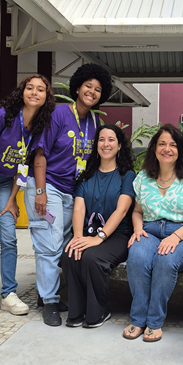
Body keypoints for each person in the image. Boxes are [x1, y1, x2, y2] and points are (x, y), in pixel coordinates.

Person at [24, 63, 112, 327]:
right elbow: (40, 154)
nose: (92, 92)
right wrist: (40, 191)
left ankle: (46, 294)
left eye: (97, 90)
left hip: (72, 192)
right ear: (77, 87)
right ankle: (49, 302)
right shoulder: (59, 113)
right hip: (47, 185)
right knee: (49, 246)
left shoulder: (96, 122)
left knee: (61, 244)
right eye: (88, 86)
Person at [0, 74, 55, 318]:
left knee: (10, 237)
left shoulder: (39, 126)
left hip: (7, 182)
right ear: (22, 91)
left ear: (47, 97)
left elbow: (24, 167)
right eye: (30, 88)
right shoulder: (2, 115)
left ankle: (8, 295)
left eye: (40, 89)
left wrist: (13, 199)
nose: (34, 92)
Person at [123, 124, 183, 342]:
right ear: (154, 148)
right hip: (149, 229)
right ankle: (138, 319)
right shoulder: (143, 178)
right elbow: (137, 211)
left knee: (165, 259)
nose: (167, 149)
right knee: (137, 257)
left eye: (173, 145)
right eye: (162, 144)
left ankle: (154, 321)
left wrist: (175, 236)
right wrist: (138, 228)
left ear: (180, 150)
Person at [63, 124, 135, 328]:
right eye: (102, 140)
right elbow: (79, 210)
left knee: (93, 258)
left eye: (111, 140)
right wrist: (77, 237)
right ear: (96, 145)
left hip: (118, 235)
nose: (106, 144)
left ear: (120, 145)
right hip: (88, 233)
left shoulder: (126, 175)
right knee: (70, 255)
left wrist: (99, 237)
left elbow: (121, 210)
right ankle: (76, 312)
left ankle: (100, 310)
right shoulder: (86, 175)